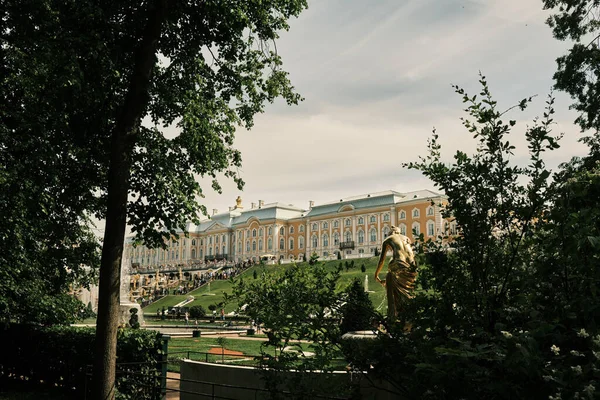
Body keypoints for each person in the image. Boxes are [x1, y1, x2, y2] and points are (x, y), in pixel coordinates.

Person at [374, 225, 418, 321]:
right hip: (412, 267)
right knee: (407, 291)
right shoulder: (407, 238)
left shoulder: (388, 239)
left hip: (398, 264)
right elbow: (411, 254)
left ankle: (393, 317)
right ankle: (409, 315)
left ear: (391, 233)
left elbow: (381, 260)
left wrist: (376, 274)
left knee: (391, 283)